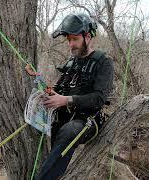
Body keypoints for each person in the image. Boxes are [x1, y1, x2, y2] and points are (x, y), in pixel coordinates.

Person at [36, 13, 114, 180]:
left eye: (75, 39)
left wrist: (65, 100)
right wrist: (48, 92)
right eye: (68, 40)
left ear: (87, 36)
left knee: (68, 131)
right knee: (51, 130)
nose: (71, 44)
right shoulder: (71, 62)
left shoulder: (103, 62)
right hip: (63, 118)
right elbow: (59, 89)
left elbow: (99, 99)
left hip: (87, 121)